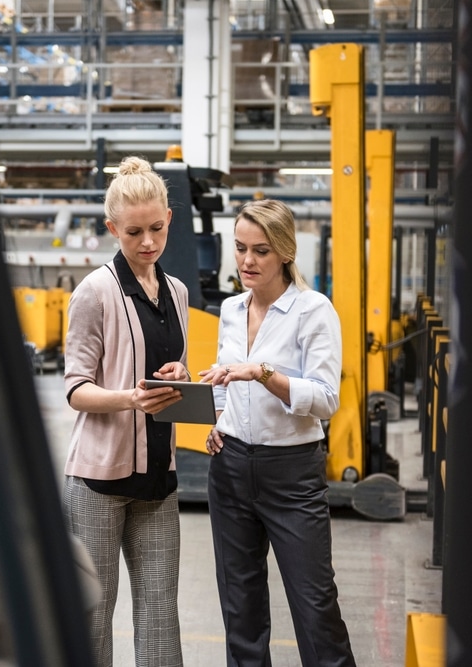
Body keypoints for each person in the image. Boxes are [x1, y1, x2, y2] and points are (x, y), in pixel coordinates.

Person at [199, 199, 356, 667]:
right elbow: (226, 379)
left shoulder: (313, 310)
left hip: (291, 475)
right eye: (240, 248)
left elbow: (327, 399)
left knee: (314, 606)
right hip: (229, 471)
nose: (246, 261)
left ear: (285, 252)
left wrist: (264, 372)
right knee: (240, 611)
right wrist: (218, 419)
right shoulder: (230, 309)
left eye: (260, 251)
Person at [62, 155, 189, 667]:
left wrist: (180, 375)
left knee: (160, 614)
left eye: (157, 229)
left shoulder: (178, 292)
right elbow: (75, 389)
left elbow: (172, 365)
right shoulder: (94, 292)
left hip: (159, 477)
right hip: (97, 482)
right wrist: (129, 399)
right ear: (112, 228)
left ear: (169, 220)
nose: (148, 243)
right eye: (134, 232)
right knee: (93, 616)